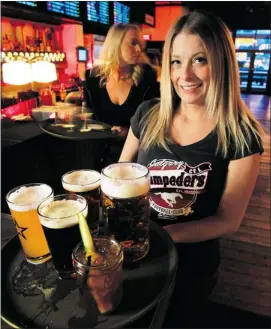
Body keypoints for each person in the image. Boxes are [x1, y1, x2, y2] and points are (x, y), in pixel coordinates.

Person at [119, 10, 264, 327]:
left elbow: (228, 220)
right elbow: (120, 171)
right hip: (134, 259)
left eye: (200, 60)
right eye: (176, 61)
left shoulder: (240, 135)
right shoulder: (147, 114)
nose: (185, 74)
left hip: (191, 268)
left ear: (222, 63)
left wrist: (161, 236)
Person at [84, 23, 160, 136]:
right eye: (133, 43)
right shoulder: (93, 77)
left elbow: (155, 121)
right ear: (116, 44)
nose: (139, 49)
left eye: (140, 44)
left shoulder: (148, 77)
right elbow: (88, 119)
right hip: (99, 147)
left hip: (137, 150)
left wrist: (129, 132)